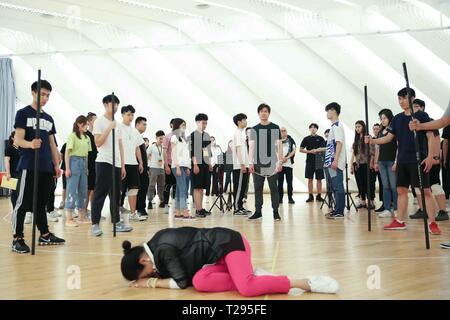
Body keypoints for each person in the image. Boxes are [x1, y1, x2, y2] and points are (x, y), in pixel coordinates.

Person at [120, 226, 340, 296]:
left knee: (246, 288)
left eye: (145, 273)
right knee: (200, 282)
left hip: (230, 245)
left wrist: (149, 284)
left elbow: (180, 283)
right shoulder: (156, 248)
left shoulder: (163, 248)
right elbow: (189, 279)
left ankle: (304, 283)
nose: (150, 275)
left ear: (142, 260)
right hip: (215, 260)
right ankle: (259, 277)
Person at [366, 88, 441, 235]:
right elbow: (388, 138)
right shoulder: (397, 119)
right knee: (401, 190)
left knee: (425, 191)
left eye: (404, 98)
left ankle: (432, 223)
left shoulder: (421, 115)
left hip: (418, 160)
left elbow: (431, 137)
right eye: (399, 99)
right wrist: (372, 140)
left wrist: (431, 156)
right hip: (402, 160)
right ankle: (399, 221)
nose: (401, 101)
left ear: (412, 98)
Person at [11, 80, 65, 253]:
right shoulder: (23, 113)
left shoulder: (49, 118)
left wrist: (57, 164)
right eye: (42, 94)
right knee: (21, 203)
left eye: (48, 95)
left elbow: (52, 144)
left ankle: (45, 234)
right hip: (28, 165)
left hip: (46, 168)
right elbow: (17, 140)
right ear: (33, 93)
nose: (45, 98)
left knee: (41, 204)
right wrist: (30, 144)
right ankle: (17, 239)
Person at [91, 94, 132, 237]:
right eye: (112, 104)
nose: (115, 107)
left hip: (116, 163)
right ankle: (95, 224)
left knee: (116, 194)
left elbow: (120, 145)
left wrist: (122, 165)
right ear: (105, 105)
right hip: (103, 161)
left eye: (117, 105)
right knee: (100, 193)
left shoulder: (118, 124)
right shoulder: (99, 122)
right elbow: (98, 143)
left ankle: (116, 221)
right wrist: (109, 128)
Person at [409, 99, 448, 222]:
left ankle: (442, 211)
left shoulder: (429, 122)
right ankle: (423, 210)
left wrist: (435, 157)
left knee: (434, 185)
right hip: (419, 160)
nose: (414, 109)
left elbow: (435, 139)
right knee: (418, 187)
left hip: (431, 160)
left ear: (422, 108)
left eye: (416, 106)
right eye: (413, 106)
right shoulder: (412, 123)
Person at [248, 104, 283, 221]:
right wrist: (250, 162)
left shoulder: (275, 127)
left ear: (269, 113)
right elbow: (251, 147)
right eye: (261, 111)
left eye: (266, 111)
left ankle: (275, 212)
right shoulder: (254, 129)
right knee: (258, 188)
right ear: (258, 113)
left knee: (274, 188)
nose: (263, 113)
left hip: (272, 162)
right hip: (258, 163)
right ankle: (258, 211)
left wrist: (280, 162)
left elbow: (279, 145)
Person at [119, 105, 146, 222]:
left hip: (133, 164)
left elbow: (137, 148)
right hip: (121, 164)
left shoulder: (135, 131)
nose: (130, 117)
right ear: (123, 115)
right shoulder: (118, 128)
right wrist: (121, 164)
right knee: (119, 190)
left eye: (132, 115)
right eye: (128, 115)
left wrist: (140, 163)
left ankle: (133, 213)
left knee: (133, 189)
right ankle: (116, 213)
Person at [64, 116, 91, 227]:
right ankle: (69, 218)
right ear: (79, 124)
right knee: (71, 190)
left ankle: (81, 217)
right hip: (74, 162)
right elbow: (67, 153)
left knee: (83, 191)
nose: (87, 126)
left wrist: (87, 167)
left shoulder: (87, 138)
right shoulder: (72, 136)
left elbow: (87, 154)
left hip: (84, 163)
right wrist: (67, 168)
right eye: (86, 124)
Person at [321, 103, 346, 219]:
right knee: (334, 186)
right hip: (330, 163)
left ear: (333, 111)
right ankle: (336, 209)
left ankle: (340, 211)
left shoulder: (337, 126)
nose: (327, 113)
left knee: (338, 186)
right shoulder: (333, 127)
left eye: (328, 111)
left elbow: (339, 143)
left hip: (334, 163)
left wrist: (335, 160)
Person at [373, 109, 398, 218]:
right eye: (381, 119)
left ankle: (397, 208)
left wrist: (396, 162)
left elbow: (398, 147)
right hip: (382, 162)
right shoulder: (380, 132)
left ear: (389, 118)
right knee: (385, 186)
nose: (382, 121)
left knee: (393, 186)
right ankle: (387, 208)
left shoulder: (394, 130)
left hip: (391, 161)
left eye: (384, 118)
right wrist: (376, 162)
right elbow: (378, 148)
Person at [190, 113, 213, 218]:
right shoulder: (193, 135)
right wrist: (195, 165)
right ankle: (198, 209)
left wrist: (209, 163)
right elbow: (192, 151)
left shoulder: (207, 135)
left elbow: (207, 151)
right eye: (203, 123)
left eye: (206, 123)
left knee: (202, 187)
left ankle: (201, 208)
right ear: (197, 123)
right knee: (197, 187)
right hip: (197, 164)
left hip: (204, 164)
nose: (205, 125)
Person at [171, 119, 195, 220]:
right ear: (177, 125)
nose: (184, 126)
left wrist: (189, 167)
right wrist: (177, 167)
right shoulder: (174, 137)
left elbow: (186, 155)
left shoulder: (183, 138)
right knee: (183, 189)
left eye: (185, 124)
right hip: (178, 166)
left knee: (179, 190)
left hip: (185, 166)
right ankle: (185, 211)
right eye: (182, 124)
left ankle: (177, 212)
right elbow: (173, 153)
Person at [350, 121, 375, 209]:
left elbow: (372, 152)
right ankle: (363, 201)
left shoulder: (368, 137)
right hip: (358, 165)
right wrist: (351, 166)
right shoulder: (355, 140)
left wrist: (372, 163)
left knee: (369, 183)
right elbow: (354, 154)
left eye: (359, 126)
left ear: (363, 127)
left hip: (367, 164)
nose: (357, 128)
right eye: (356, 127)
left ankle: (371, 201)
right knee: (360, 184)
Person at [232, 113, 252, 216]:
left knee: (243, 187)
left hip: (245, 165)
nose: (246, 122)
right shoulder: (237, 133)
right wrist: (242, 164)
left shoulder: (241, 134)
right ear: (239, 122)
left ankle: (240, 206)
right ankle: (236, 208)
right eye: (244, 120)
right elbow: (238, 150)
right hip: (240, 165)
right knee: (239, 187)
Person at [300, 123, 326, 203]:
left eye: (314, 127)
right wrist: (310, 151)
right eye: (311, 127)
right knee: (310, 179)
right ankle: (310, 196)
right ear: (309, 129)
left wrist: (318, 150)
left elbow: (324, 148)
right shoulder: (306, 139)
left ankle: (319, 196)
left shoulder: (321, 138)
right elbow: (301, 149)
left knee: (319, 179)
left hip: (319, 160)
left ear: (317, 129)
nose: (313, 129)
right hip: (309, 161)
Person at [84, 112, 98, 218]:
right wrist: (86, 167)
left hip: (96, 164)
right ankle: (83, 211)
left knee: (94, 189)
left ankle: (94, 212)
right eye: (94, 120)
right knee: (87, 189)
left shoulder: (96, 134)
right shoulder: (86, 135)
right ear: (88, 122)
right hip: (88, 165)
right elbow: (85, 152)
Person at [148, 131, 166, 210]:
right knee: (151, 185)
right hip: (153, 168)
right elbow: (147, 156)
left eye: (163, 139)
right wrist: (148, 167)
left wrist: (166, 167)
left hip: (161, 168)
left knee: (161, 185)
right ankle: (150, 201)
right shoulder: (151, 147)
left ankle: (162, 200)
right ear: (156, 138)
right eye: (160, 138)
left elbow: (165, 158)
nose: (161, 140)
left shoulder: (164, 147)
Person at [162, 119, 177, 211]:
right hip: (169, 164)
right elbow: (164, 151)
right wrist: (166, 165)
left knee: (176, 185)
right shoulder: (167, 136)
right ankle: (166, 205)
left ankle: (175, 203)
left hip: (177, 165)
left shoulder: (181, 136)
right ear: (171, 125)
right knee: (168, 185)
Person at [135, 116, 149, 217]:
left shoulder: (139, 136)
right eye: (143, 124)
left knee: (144, 186)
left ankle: (141, 207)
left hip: (143, 166)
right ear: (137, 124)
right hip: (137, 166)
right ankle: (140, 208)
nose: (145, 126)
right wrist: (140, 164)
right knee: (140, 187)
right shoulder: (134, 134)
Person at [279, 127, 297, 204]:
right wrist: (280, 159)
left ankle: (290, 198)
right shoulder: (277, 140)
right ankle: (280, 198)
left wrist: (287, 157)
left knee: (289, 182)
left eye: (284, 131)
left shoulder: (290, 140)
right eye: (281, 131)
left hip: (288, 165)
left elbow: (294, 150)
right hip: (280, 165)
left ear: (286, 131)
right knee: (280, 183)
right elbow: (274, 151)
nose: (283, 132)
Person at [4, 131, 20, 210]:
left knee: (21, 192)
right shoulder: (9, 148)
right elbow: (7, 161)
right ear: (13, 138)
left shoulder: (22, 148)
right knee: (15, 192)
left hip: (21, 172)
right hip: (13, 173)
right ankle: (15, 209)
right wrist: (8, 173)